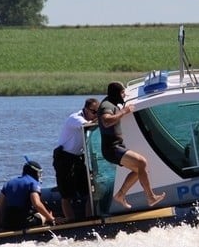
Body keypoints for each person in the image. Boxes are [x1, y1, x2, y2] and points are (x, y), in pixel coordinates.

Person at [98, 81, 166, 209]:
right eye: (123, 92)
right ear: (117, 93)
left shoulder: (110, 103)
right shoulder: (106, 105)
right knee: (142, 162)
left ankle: (120, 195)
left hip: (117, 146)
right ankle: (150, 197)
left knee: (139, 170)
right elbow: (106, 121)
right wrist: (124, 111)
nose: (124, 95)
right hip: (112, 148)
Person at [53, 98, 98, 220]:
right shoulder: (75, 118)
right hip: (64, 157)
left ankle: (89, 218)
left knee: (88, 191)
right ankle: (70, 221)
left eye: (97, 112)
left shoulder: (89, 116)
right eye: (94, 112)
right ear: (86, 109)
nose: (95, 115)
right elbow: (87, 126)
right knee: (66, 194)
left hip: (78, 157)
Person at [0, 160, 56, 231]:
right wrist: (50, 218)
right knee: (44, 215)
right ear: (35, 172)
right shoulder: (33, 183)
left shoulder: (8, 183)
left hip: (7, 222)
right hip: (24, 221)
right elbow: (37, 204)